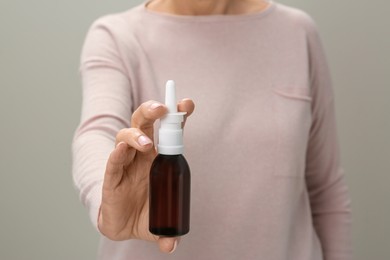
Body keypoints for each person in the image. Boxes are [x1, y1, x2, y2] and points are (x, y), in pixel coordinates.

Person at [72, 0, 352, 259]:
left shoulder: (296, 32)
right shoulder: (118, 36)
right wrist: (106, 198)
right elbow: (97, 132)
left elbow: (326, 190)